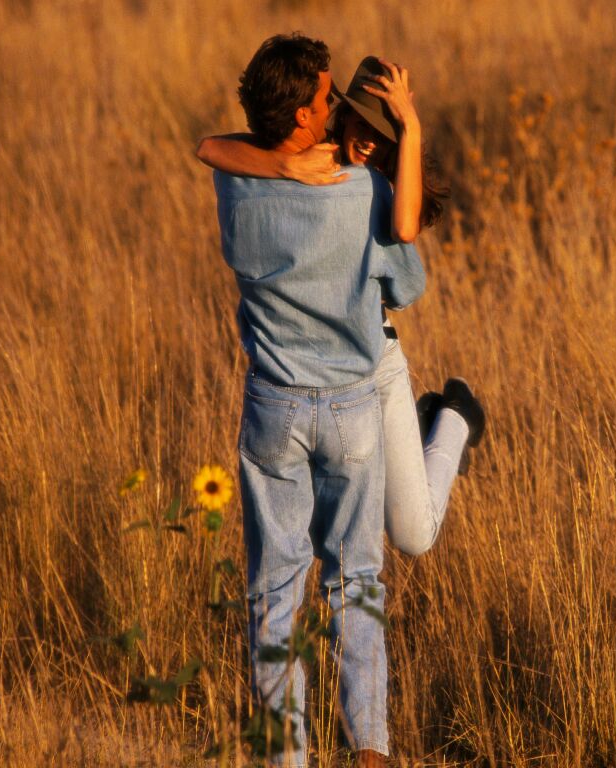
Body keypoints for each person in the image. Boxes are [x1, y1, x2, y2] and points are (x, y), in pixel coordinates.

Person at [213, 34, 426, 768]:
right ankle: (369, 749)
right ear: (304, 116)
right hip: (351, 408)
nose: (336, 106)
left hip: (272, 406)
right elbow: (409, 286)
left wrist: (273, 160)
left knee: (274, 589)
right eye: (326, 97)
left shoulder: (235, 182)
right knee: (355, 580)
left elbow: (213, 147)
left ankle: (285, 757)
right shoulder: (365, 191)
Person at [198, 56, 485, 561]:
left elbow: (404, 236)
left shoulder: (378, 188)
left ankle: (455, 417)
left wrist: (411, 127)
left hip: (373, 364)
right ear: (341, 114)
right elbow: (209, 148)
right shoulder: (312, 156)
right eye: (361, 121)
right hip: (307, 381)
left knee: (413, 537)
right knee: (326, 541)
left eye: (386, 132)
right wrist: (283, 164)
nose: (371, 138)